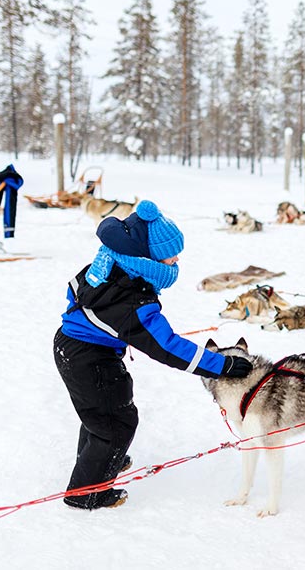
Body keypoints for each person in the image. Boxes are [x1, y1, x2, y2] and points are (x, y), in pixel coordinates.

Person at [53, 200, 251, 510]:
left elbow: (76, 293)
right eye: (171, 254)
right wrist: (221, 365)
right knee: (116, 424)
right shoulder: (132, 300)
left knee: (103, 412)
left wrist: (103, 328)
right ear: (148, 258)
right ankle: (86, 493)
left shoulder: (111, 262)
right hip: (87, 356)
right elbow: (167, 346)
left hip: (77, 347)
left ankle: (103, 459)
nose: (176, 260)